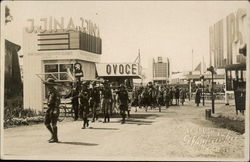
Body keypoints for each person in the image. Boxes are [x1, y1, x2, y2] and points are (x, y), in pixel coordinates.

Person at [44, 78, 60, 143]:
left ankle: (55, 138)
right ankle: (53, 135)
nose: (47, 86)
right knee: (46, 122)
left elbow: (57, 101)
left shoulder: (55, 92)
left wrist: (55, 109)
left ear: (52, 85)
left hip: (54, 108)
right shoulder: (50, 92)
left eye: (48, 85)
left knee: (54, 124)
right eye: (47, 84)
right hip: (49, 108)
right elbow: (48, 100)